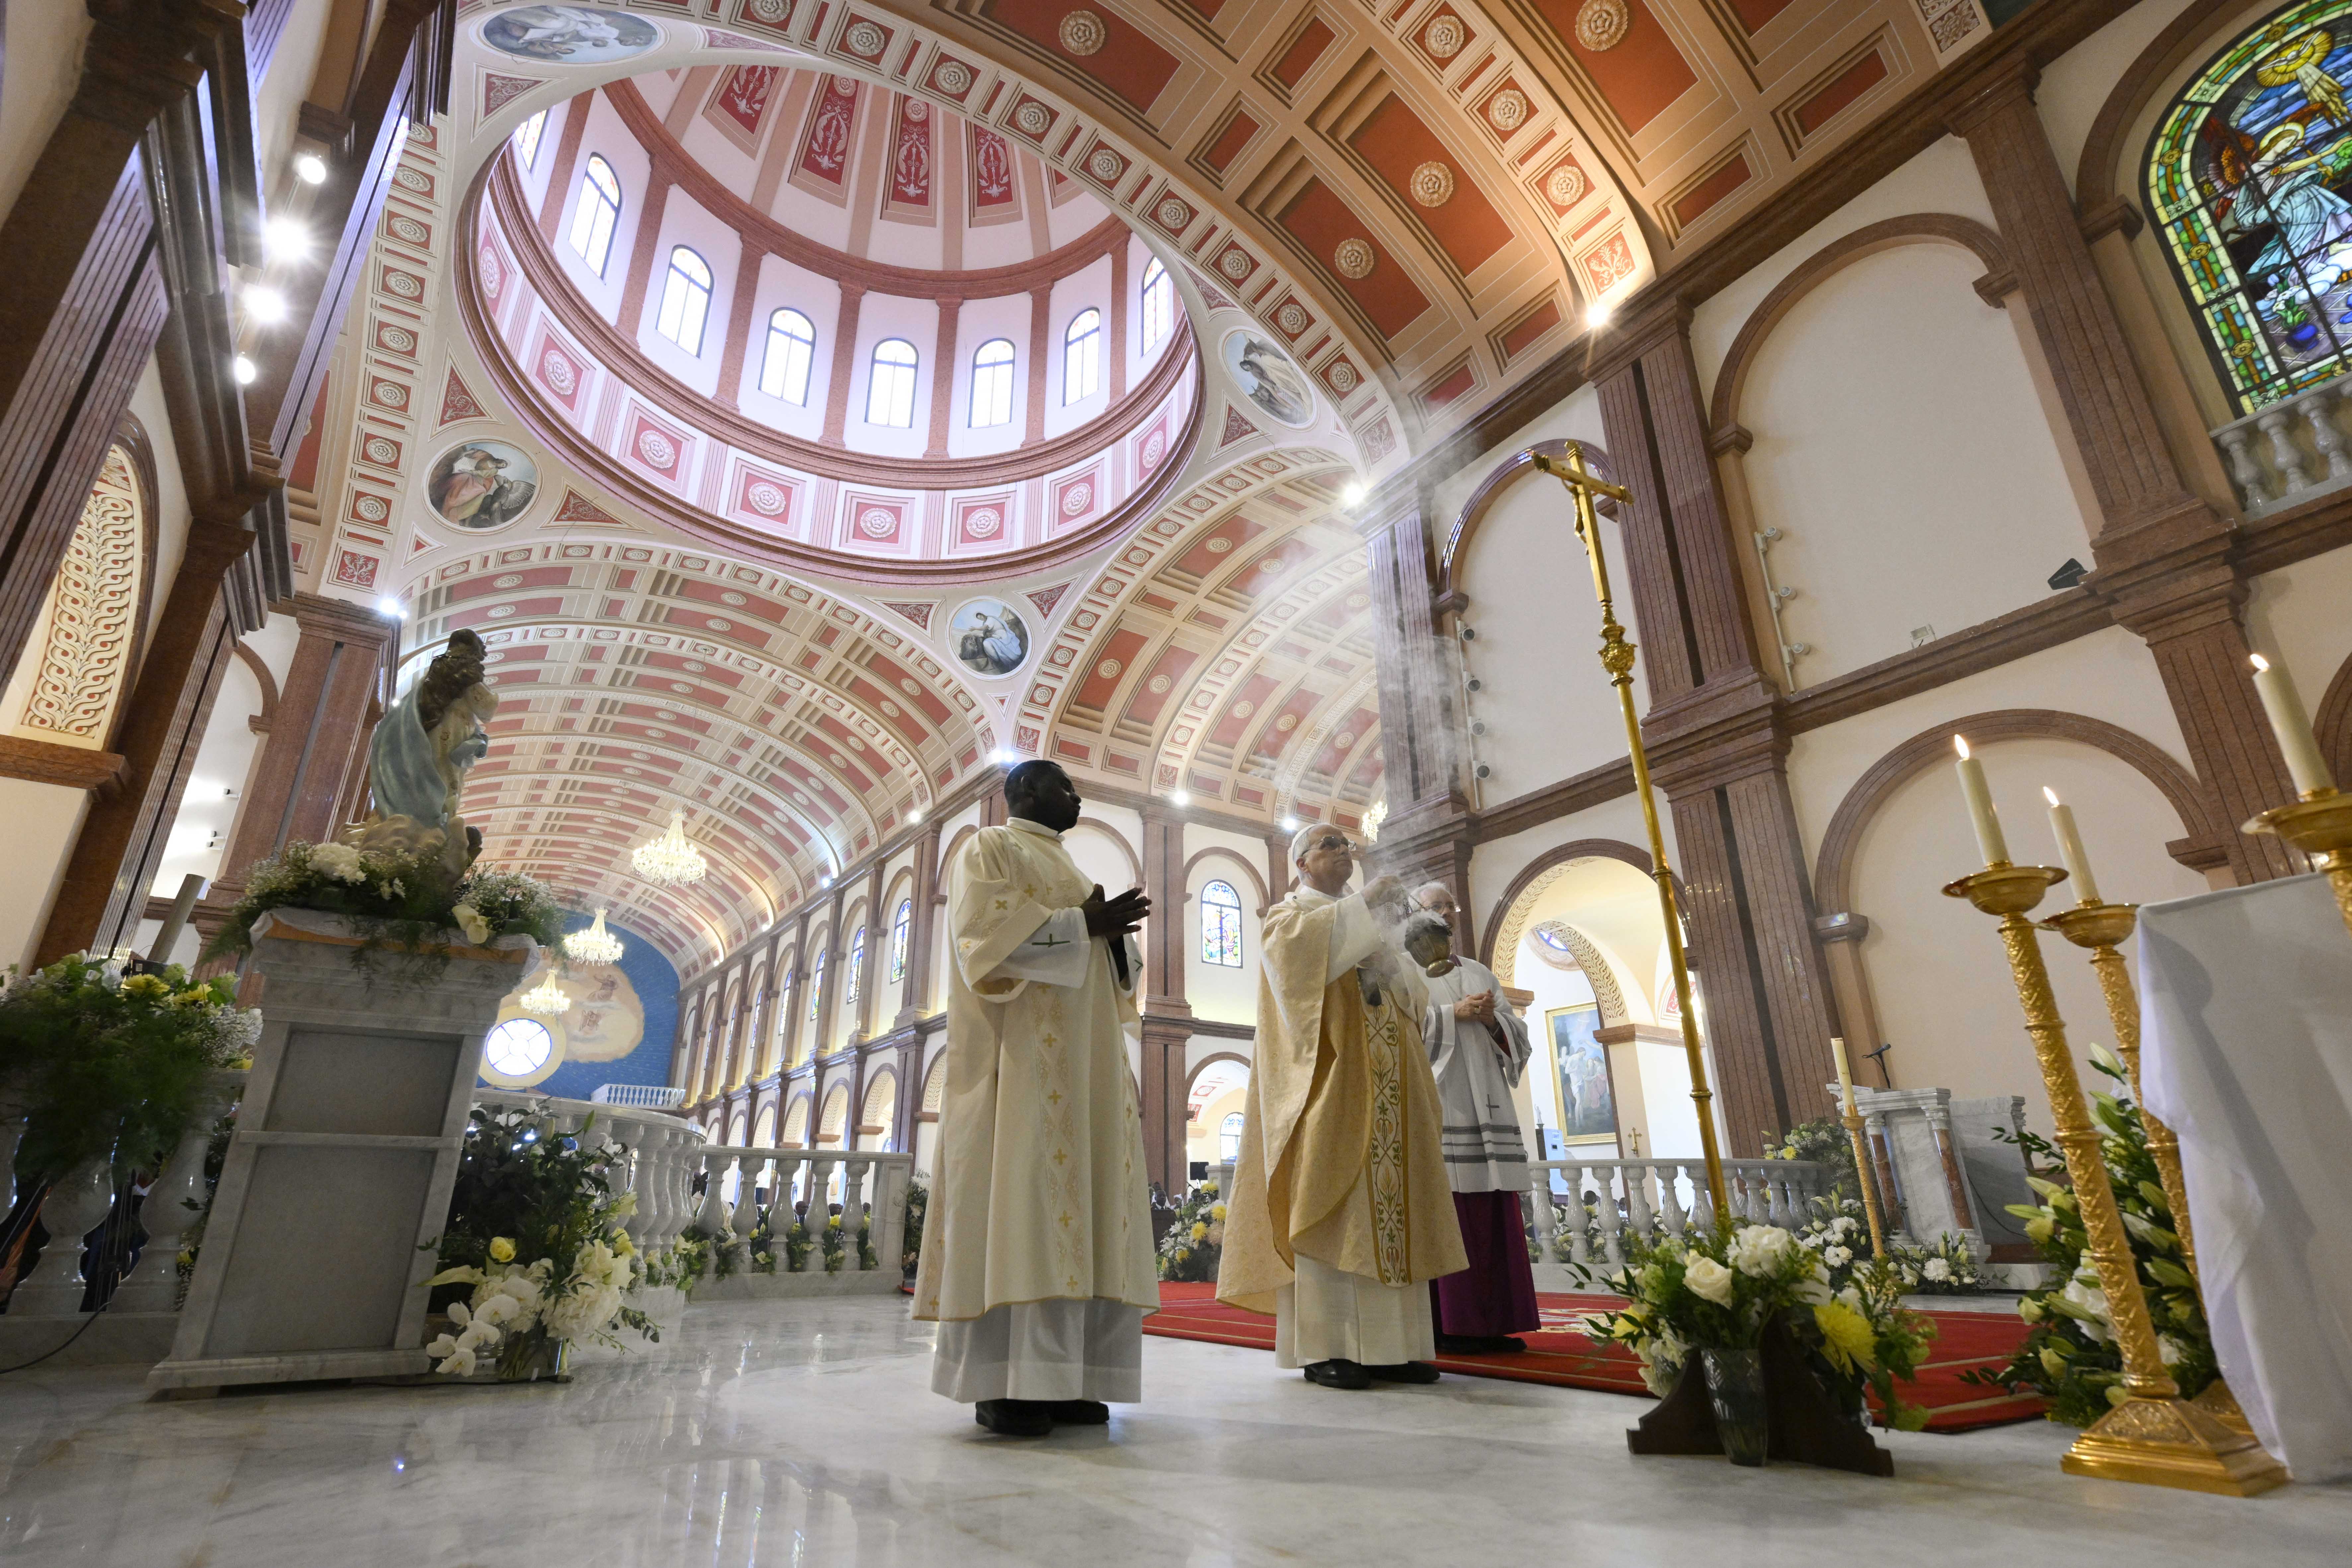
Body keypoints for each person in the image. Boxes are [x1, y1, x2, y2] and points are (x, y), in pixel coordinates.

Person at [911, 761, 1157, 1437]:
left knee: (1087, 1207)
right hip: (1020, 1065)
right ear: (1022, 791)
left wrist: (1112, 939)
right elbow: (982, 943)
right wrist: (1085, 924)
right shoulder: (991, 847)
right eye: (1063, 785)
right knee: (1023, 1206)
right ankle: (1007, 1382)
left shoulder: (1075, 871)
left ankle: (1072, 1377)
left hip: (1089, 1070)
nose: (1077, 795)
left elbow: (1119, 971)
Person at [1218, 827, 1466, 1390]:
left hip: (1390, 1090)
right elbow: (1302, 970)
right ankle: (1329, 1348)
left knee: (1394, 1207)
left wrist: (1404, 956)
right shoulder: (1287, 918)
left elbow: (1415, 996)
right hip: (1330, 1087)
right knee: (1336, 1207)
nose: (1343, 851)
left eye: (1345, 844)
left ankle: (1397, 1348)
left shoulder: (1375, 922)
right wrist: (1366, 907)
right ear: (1302, 863)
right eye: (1328, 844)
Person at [1403, 902, 1539, 1356]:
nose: (1442, 915)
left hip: (1490, 1102)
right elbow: (1399, 1033)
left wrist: (1491, 1019)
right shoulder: (1405, 969)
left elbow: (1517, 1034)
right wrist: (1450, 1014)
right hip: (1443, 1106)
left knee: (1494, 1210)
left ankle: (1498, 1321)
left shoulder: (1481, 971)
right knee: (1451, 1210)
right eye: (1433, 907)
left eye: (1447, 910)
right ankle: (1450, 1322)